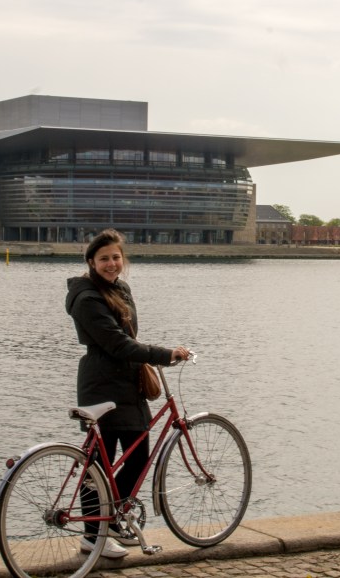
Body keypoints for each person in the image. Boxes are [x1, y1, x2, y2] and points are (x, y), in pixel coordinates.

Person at [64, 228, 191, 558]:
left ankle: (112, 520)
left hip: (128, 383)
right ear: (91, 262)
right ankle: (94, 535)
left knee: (138, 458)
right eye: (104, 258)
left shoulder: (121, 288)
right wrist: (164, 354)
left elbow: (128, 337)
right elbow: (117, 343)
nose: (111, 263)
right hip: (101, 383)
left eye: (116, 257)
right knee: (97, 467)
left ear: (123, 259)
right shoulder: (86, 297)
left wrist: (146, 356)